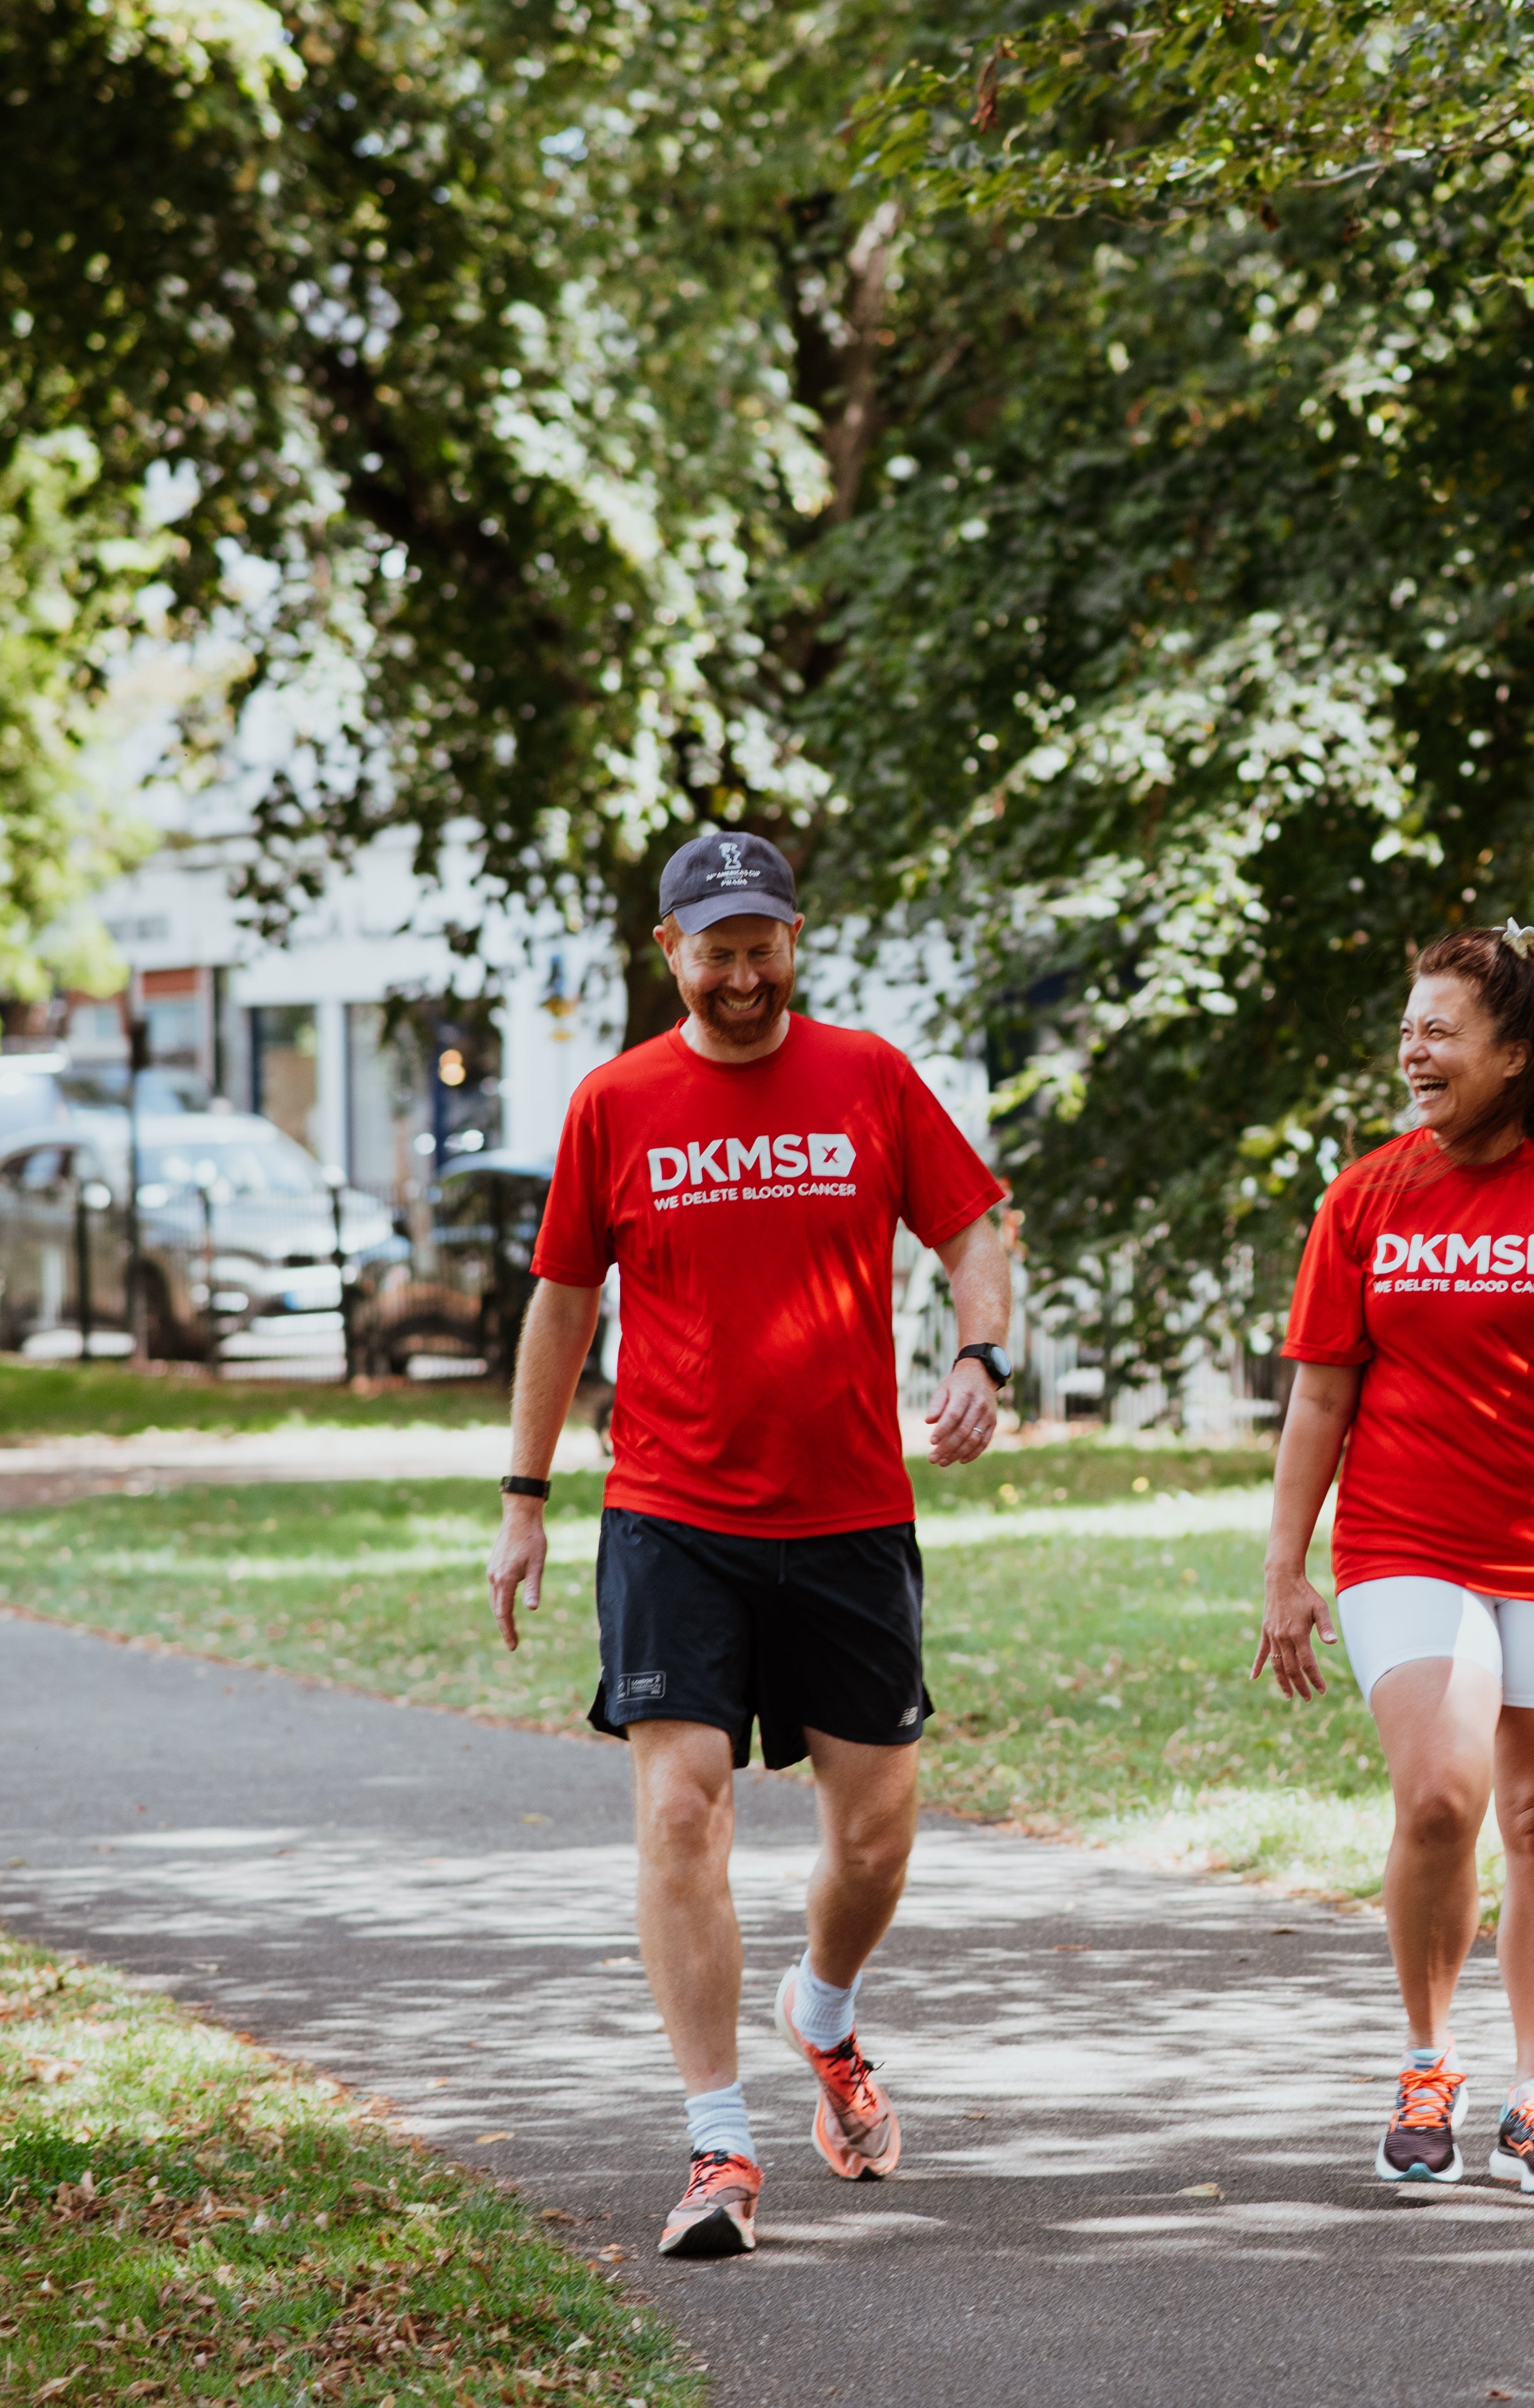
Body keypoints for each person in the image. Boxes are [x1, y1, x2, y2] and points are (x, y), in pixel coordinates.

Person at [484, 828, 1017, 2262]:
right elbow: (560, 1304)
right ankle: (720, 2141)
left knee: (877, 1827)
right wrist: (526, 1493)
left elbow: (975, 1227)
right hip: (672, 1513)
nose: (738, 970)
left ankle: (823, 2015)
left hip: (848, 1509)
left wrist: (983, 1354)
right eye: (711, 948)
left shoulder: (868, 1077)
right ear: (671, 953)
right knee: (680, 1806)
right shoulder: (616, 1101)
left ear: (793, 939)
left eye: (759, 941)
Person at [1253, 922, 1534, 2197]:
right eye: (1407, 1026)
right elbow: (1318, 1402)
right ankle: (1425, 2062)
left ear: (1516, 1052)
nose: (1412, 1048)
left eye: (1438, 1028)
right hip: (1408, 1536)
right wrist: (1286, 1569)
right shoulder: (1367, 1194)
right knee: (1443, 1796)